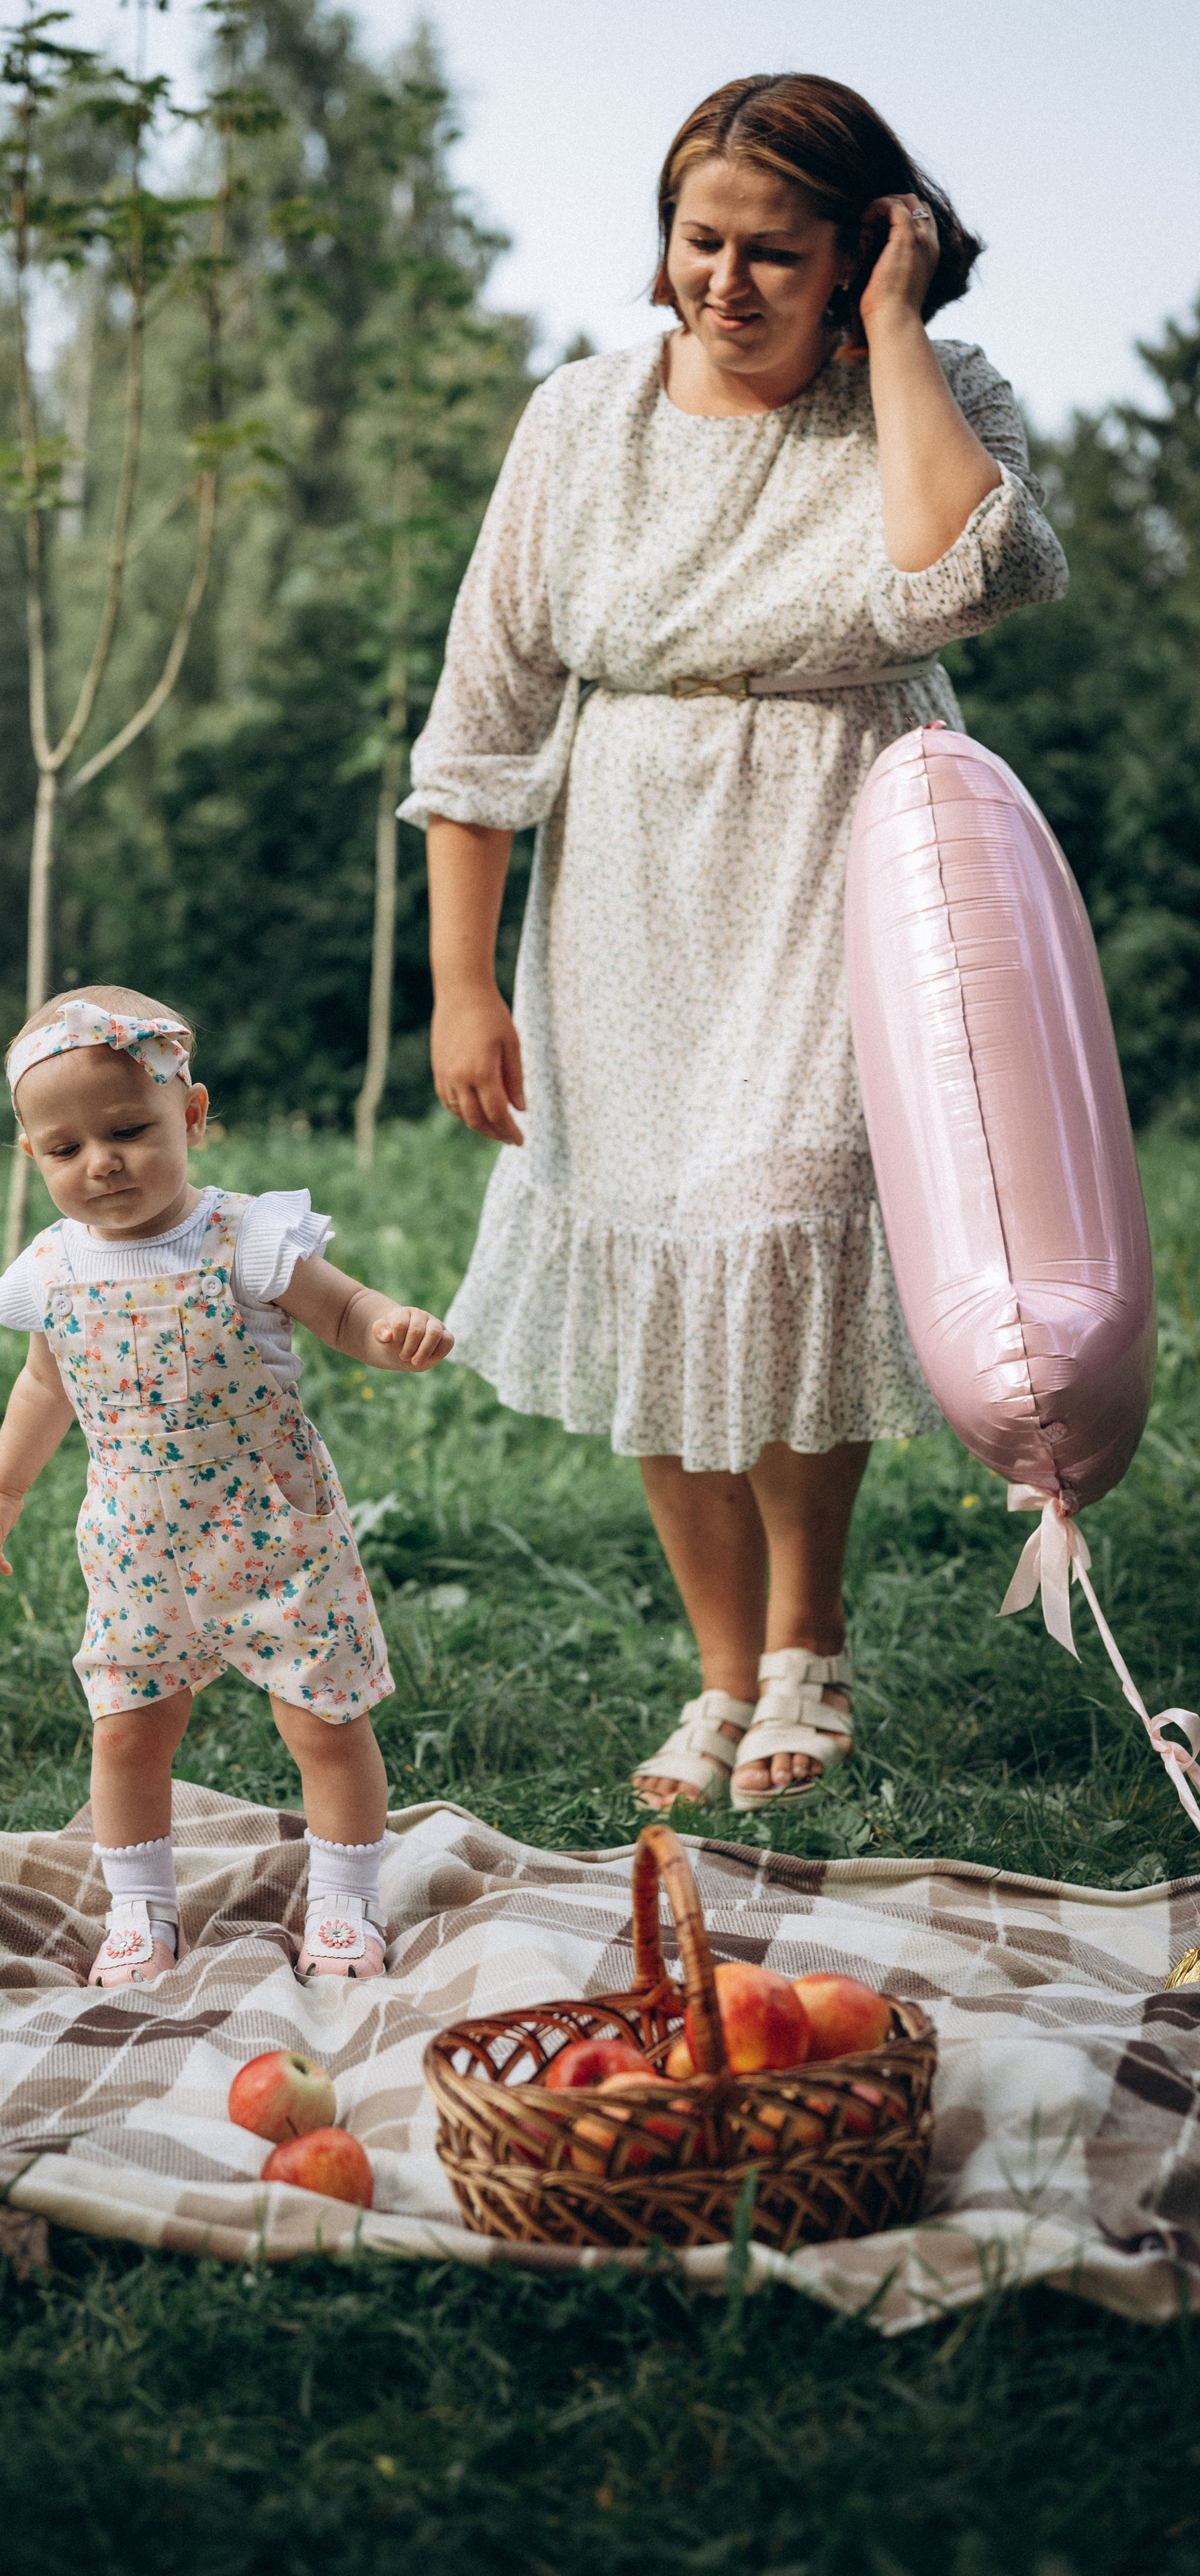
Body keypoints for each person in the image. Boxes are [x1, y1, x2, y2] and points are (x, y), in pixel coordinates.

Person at [405, 74, 1068, 1814]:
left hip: (848, 846)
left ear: (864, 247)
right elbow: (482, 721)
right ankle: (717, 1676)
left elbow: (963, 578)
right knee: (654, 1261)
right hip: (624, 868)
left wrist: (899, 338)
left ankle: (807, 1647)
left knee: (779, 1231)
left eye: (780, 250)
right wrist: (461, 984)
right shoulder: (577, 421)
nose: (726, 280)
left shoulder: (921, 392)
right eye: (700, 239)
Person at [0, 985, 452, 1986]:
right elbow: (43, 1384)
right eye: (65, 1150)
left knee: (322, 1718)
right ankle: (141, 1913)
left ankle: (347, 1906)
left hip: (273, 1527)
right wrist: (1, 1494)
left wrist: (390, 1330)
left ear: (192, 1116)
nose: (102, 1164)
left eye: (131, 1130)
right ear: (33, 1158)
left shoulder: (246, 1240)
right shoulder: (54, 1268)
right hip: (138, 1542)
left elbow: (345, 1312)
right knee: (131, 1725)